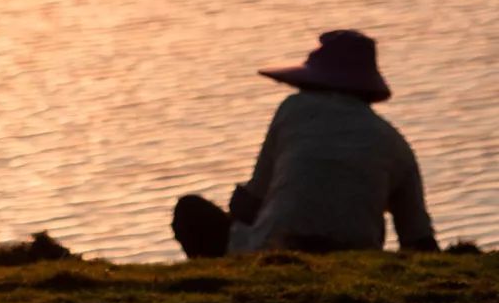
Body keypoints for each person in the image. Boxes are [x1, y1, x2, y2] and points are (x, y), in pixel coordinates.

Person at [172, 30, 438, 257]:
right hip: (356, 259)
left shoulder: (294, 109)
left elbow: (250, 204)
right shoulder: (395, 144)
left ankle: (221, 282)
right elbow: (418, 240)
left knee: (190, 210)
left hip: (274, 251)